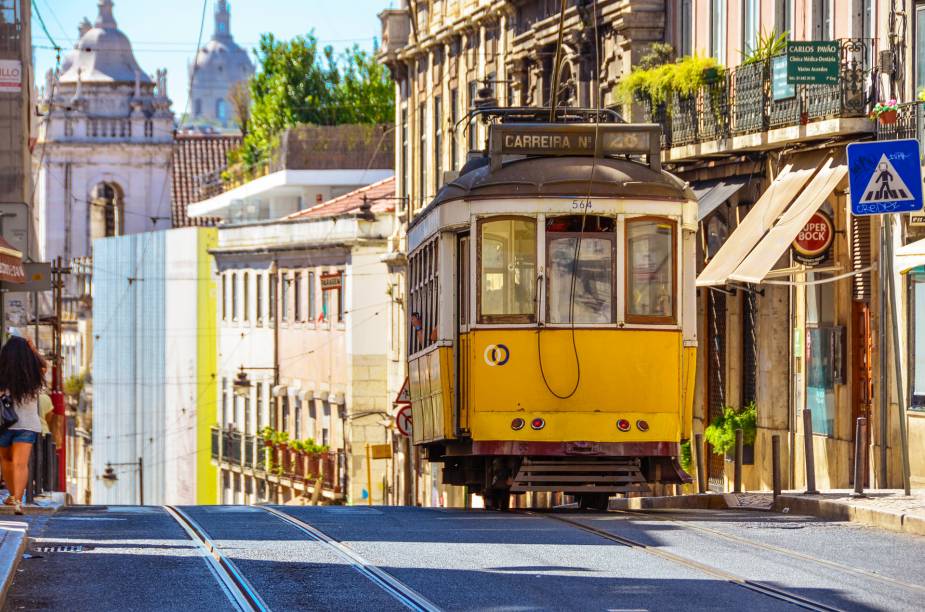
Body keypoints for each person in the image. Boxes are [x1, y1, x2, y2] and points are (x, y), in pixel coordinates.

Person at [0, 336, 47, 515]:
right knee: (21, 463)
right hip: (27, 425)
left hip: (5, 424)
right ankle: (18, 501)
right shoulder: (34, 374)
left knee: (6, 461)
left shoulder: (3, 374)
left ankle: (12, 495)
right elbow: (45, 365)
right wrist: (33, 349)